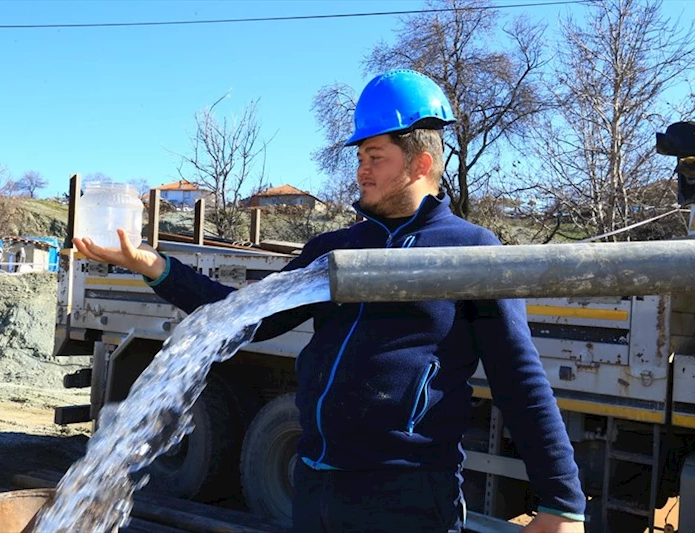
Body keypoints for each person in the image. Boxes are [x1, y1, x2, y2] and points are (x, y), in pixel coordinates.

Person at [75, 69, 587, 533]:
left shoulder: (471, 252)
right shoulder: (335, 251)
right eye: (360, 158)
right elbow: (246, 318)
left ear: (421, 163)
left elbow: (518, 377)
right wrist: (153, 266)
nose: (361, 171)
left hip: (406, 496)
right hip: (316, 483)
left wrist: (562, 502)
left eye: (375, 157)